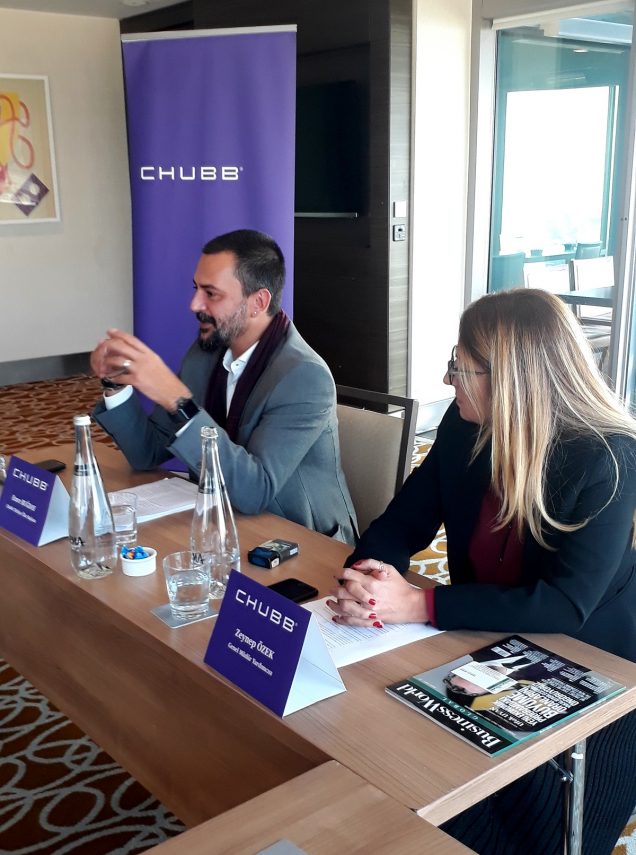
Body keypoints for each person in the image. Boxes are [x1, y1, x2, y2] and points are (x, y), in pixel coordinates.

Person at [327, 289, 636, 854]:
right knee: (410, 776)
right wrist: (369, 576)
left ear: (511, 381)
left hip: (591, 667)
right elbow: (404, 520)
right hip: (483, 640)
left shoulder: (606, 457)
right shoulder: (464, 424)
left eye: (459, 367)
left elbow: (565, 603)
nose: (447, 380)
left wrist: (417, 604)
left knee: (530, 835)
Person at [90, 229, 356, 544]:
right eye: (196, 289)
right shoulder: (206, 354)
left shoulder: (304, 377)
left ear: (258, 302)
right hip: (221, 523)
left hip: (301, 541)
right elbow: (147, 452)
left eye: (211, 293)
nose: (194, 304)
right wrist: (114, 384)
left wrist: (177, 399)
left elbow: (255, 491)